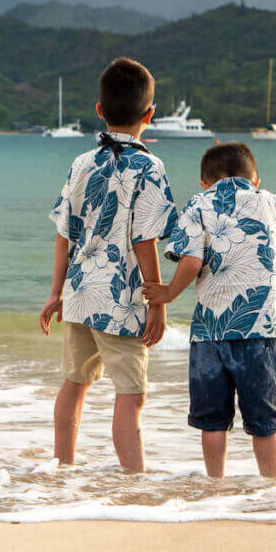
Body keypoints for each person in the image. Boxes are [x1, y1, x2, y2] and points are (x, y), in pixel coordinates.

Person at [142, 142, 276, 479]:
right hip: (260, 329)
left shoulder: (198, 204)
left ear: (205, 183)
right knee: (264, 421)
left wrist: (167, 293)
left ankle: (215, 483)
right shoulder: (272, 202)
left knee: (211, 420)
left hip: (210, 332)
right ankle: (270, 484)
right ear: (255, 180)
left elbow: (192, 260)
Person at [40, 57, 178, 473]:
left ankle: (63, 467)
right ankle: (133, 480)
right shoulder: (149, 167)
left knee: (74, 382)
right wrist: (158, 300)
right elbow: (144, 239)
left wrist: (55, 293)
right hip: (121, 301)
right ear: (150, 115)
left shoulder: (81, 163)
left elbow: (64, 233)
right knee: (131, 393)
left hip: (80, 294)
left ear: (99, 110)